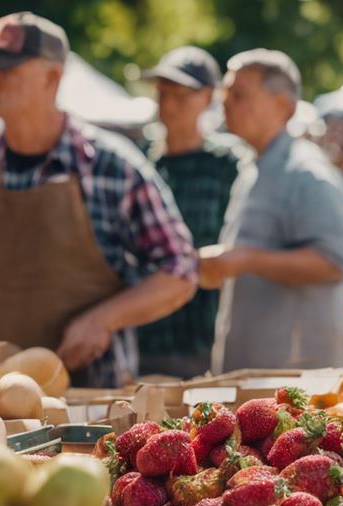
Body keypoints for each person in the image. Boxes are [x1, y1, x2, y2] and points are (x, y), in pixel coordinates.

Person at [0, 12, 197, 388]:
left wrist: (103, 319)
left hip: (94, 395)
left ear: (53, 76)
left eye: (7, 69)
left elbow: (180, 270)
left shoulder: (112, 167)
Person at [201, 49, 343, 373]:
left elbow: (334, 263)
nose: (226, 103)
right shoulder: (252, 168)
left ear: (283, 106)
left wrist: (245, 260)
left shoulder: (307, 173)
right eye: (226, 94)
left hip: (291, 385)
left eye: (239, 94)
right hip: (257, 376)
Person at [136, 46, 245, 378]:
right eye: (162, 93)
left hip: (206, 334)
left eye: (181, 95)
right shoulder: (142, 165)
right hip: (143, 331)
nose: (168, 105)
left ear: (208, 97)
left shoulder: (229, 165)